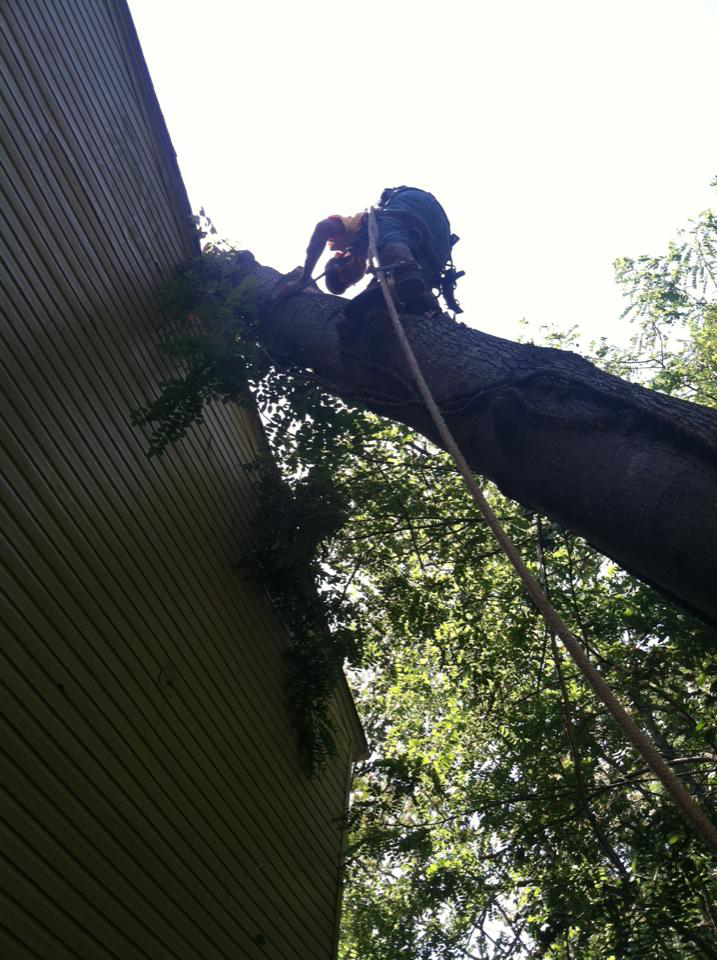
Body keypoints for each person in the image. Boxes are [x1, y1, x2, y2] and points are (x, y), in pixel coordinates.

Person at [278, 187, 455, 321]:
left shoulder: (353, 233)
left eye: (341, 276)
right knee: (403, 284)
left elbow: (322, 228)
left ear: (339, 258)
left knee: (385, 233)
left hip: (413, 203)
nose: (349, 279)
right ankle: (426, 306)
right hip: (437, 247)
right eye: (347, 284)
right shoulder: (376, 264)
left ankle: (404, 269)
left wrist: (303, 278)